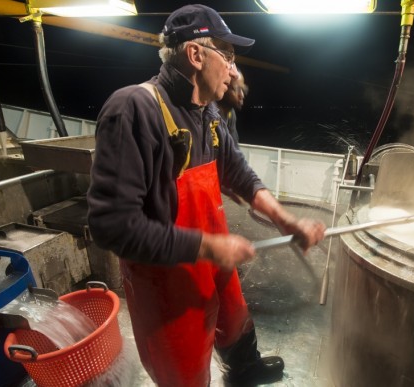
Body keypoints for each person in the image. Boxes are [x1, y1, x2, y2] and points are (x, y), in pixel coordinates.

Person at [86, 4, 325, 387]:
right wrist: (208, 247)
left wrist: (286, 220)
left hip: (213, 255)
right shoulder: (134, 109)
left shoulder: (207, 113)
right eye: (227, 56)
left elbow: (239, 174)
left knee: (234, 316)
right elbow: (111, 226)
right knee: (185, 369)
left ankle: (243, 370)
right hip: (166, 281)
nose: (233, 69)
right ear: (196, 55)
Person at [217, 67, 248, 146]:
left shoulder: (231, 113)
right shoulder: (209, 114)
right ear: (224, 87)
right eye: (236, 89)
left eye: (242, 89)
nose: (242, 95)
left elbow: (233, 146)